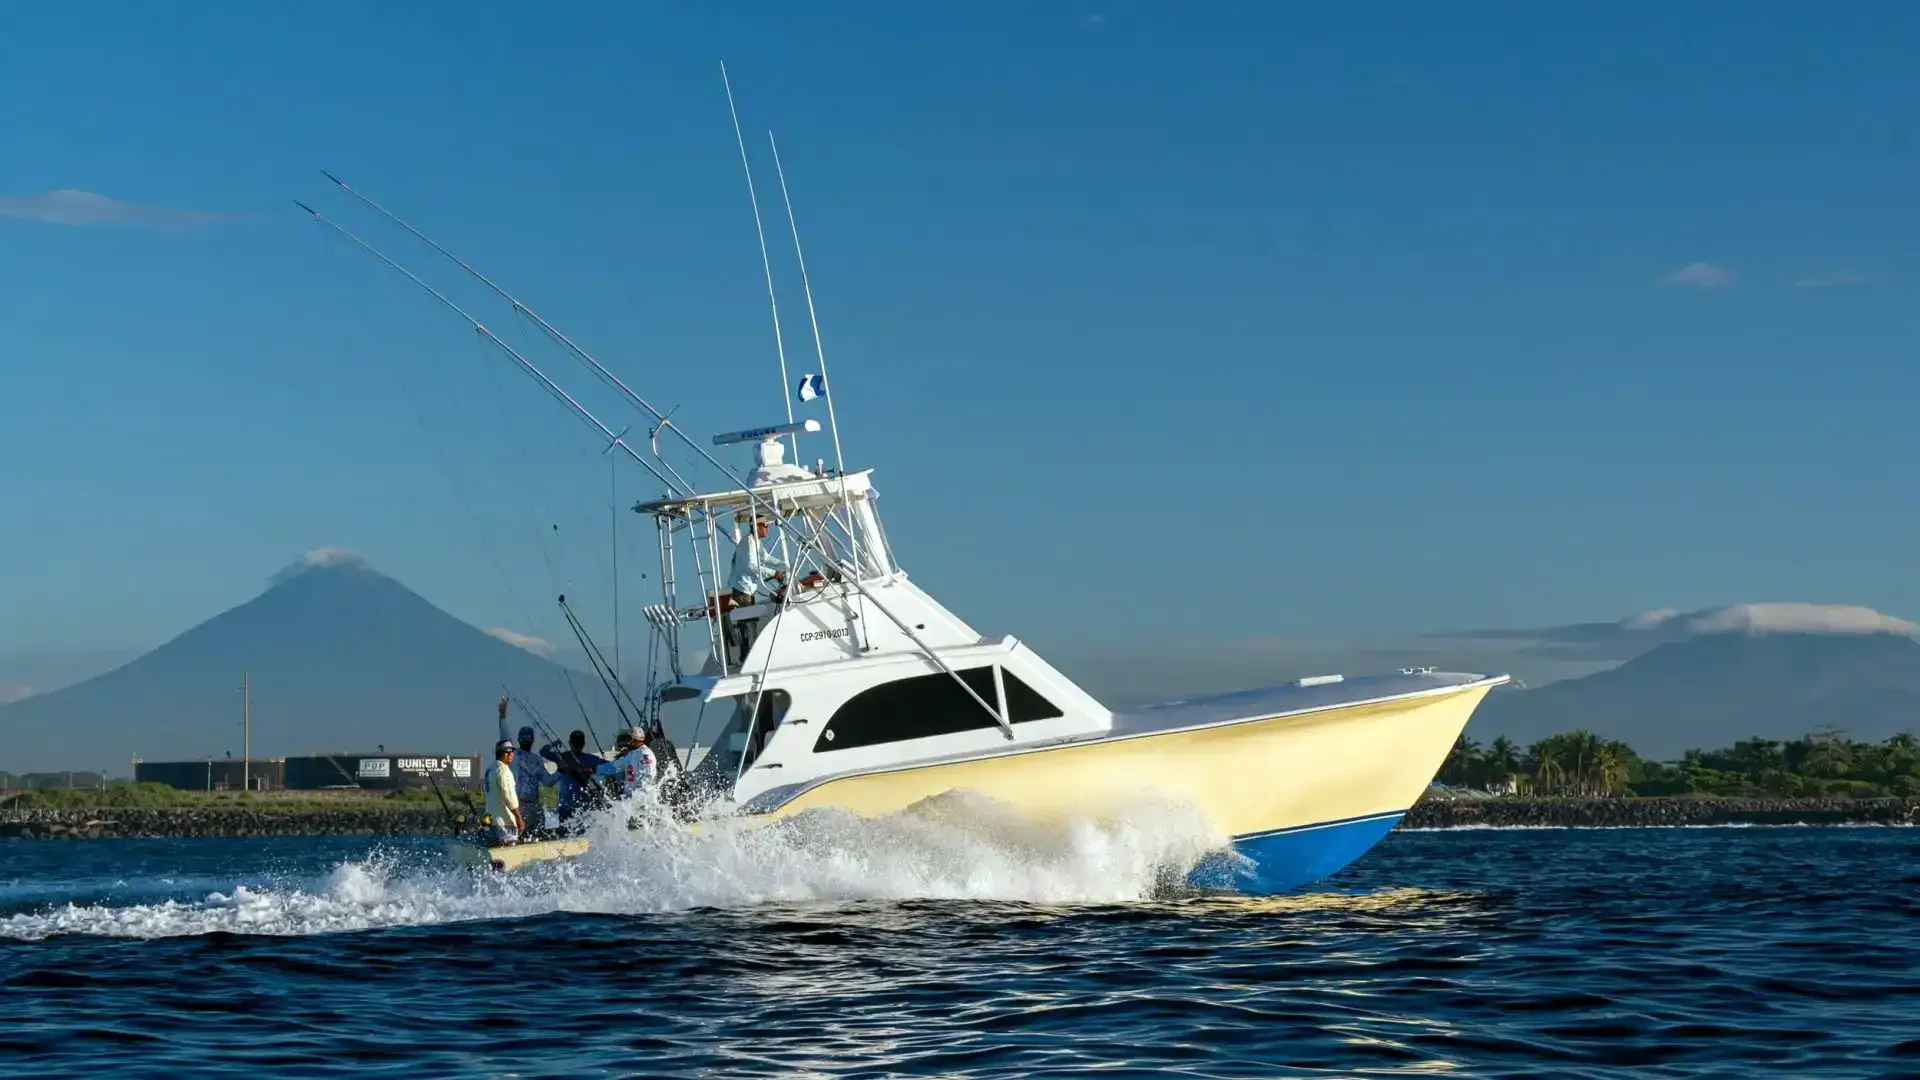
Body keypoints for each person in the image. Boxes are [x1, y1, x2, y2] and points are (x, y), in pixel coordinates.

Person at [496, 697, 558, 836]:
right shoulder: (518, 755)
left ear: (519, 740)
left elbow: (548, 782)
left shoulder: (531, 759)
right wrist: (561, 771)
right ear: (533, 740)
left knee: (533, 835)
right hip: (525, 805)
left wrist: (502, 716)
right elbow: (549, 782)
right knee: (531, 835)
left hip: (533, 805)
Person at [539, 729, 608, 828]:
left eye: (579, 743)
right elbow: (543, 751)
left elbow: (608, 766)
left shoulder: (589, 759)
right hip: (566, 806)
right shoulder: (563, 757)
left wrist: (591, 769)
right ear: (571, 743)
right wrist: (556, 749)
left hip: (582, 806)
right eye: (576, 743)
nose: (577, 745)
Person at [597, 727, 659, 800]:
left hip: (641, 802)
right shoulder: (633, 754)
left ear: (632, 740)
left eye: (626, 739)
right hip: (630, 801)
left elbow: (648, 779)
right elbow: (615, 765)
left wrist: (639, 800)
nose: (625, 743)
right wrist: (596, 768)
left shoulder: (645, 754)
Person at [483, 739, 524, 844]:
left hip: (491, 821)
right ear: (500, 753)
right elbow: (509, 796)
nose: (511, 754)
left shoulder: (490, 769)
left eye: (512, 751)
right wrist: (518, 817)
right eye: (507, 751)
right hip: (505, 822)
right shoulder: (503, 770)